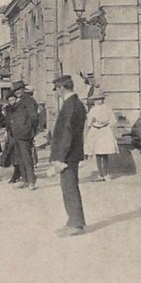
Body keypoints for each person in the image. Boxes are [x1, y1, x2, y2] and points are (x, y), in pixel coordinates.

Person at [49, 74, 87, 237]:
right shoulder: (75, 104)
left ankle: (76, 223)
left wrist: (60, 157)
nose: (56, 93)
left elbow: (67, 133)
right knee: (68, 187)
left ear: (62, 88)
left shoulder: (70, 105)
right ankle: (72, 220)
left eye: (57, 89)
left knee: (69, 187)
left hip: (68, 154)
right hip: (71, 152)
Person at [7, 80, 39, 190]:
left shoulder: (28, 100)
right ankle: (25, 180)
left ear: (23, 89)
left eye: (19, 89)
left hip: (25, 133)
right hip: (16, 133)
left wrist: (30, 129)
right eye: (15, 90)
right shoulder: (18, 101)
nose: (17, 92)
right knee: (19, 158)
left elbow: (34, 117)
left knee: (27, 158)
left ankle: (31, 181)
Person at [84, 92, 119, 181]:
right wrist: (92, 121)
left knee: (105, 152)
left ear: (103, 100)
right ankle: (100, 174)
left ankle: (106, 173)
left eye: (100, 99)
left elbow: (112, 120)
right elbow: (89, 122)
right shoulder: (93, 110)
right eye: (96, 100)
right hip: (95, 131)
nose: (98, 101)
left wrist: (107, 123)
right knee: (98, 153)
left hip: (104, 130)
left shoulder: (107, 109)